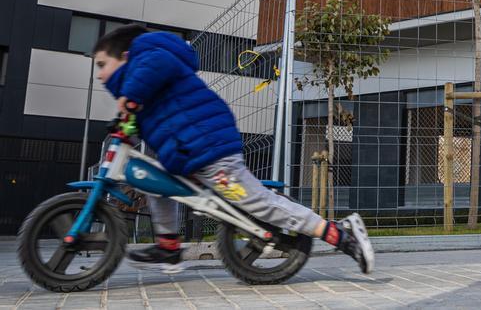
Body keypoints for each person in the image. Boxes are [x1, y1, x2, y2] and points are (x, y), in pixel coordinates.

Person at [93, 24, 375, 272]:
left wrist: (129, 102)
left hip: (210, 150)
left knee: (257, 202)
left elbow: (155, 67)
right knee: (153, 183)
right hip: (186, 156)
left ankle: (339, 233)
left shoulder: (149, 56)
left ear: (125, 58)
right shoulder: (139, 86)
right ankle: (168, 246)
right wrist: (126, 127)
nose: (99, 75)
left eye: (102, 65)